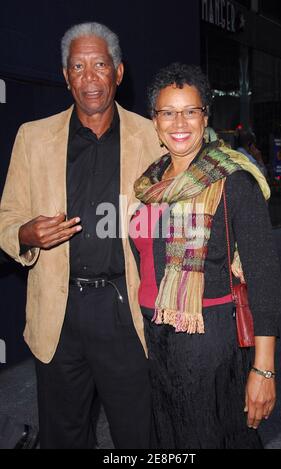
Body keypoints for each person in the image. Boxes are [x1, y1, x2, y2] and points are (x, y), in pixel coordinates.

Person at [0, 22, 163, 449]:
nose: (90, 78)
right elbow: (7, 216)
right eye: (78, 66)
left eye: (100, 65)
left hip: (125, 311)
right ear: (65, 75)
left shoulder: (153, 138)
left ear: (119, 72)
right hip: (59, 313)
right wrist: (25, 233)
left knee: (138, 435)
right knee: (64, 437)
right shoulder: (33, 138)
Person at [129, 63, 281, 449]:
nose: (179, 121)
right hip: (156, 338)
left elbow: (265, 280)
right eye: (168, 112)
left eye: (190, 110)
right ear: (155, 120)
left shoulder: (234, 180)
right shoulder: (152, 180)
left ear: (205, 117)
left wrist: (263, 370)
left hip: (208, 341)